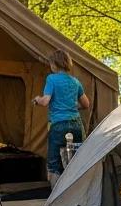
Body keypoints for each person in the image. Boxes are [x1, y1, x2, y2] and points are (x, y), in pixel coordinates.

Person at [33, 48, 90, 186]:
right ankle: (75, 196)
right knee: (76, 161)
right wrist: (70, 106)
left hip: (59, 125)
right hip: (76, 125)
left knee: (54, 163)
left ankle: (56, 200)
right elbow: (86, 104)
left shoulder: (51, 79)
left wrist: (37, 99)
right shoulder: (75, 81)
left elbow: (46, 101)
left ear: (54, 64)